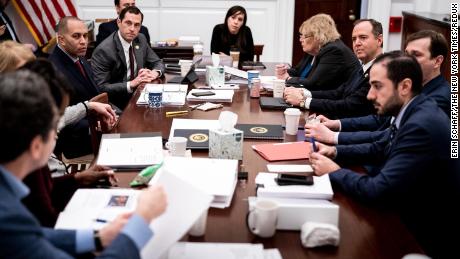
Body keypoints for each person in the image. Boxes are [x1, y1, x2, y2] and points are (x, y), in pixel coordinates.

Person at [0, 70, 167, 258]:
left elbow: (35, 236)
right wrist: (142, 219)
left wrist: (97, 238)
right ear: (37, 146)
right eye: (54, 126)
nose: (56, 134)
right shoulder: (8, 218)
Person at [309, 51, 459, 259]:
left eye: (378, 86)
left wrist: (334, 171)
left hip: (421, 237)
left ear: (405, 87)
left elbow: (378, 190)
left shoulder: (421, 125)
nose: (370, 95)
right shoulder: (415, 110)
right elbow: (380, 146)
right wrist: (335, 151)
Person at [305, 30, 450, 145]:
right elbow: (382, 120)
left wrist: (334, 137)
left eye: (416, 55)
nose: (408, 60)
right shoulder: (414, 86)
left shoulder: (439, 99)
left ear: (437, 61)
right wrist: (336, 124)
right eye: (407, 54)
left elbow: (388, 137)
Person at [19, 59, 118, 227]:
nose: (56, 133)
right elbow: (47, 226)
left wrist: (78, 178)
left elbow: (47, 191)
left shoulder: (29, 147)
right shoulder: (28, 162)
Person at [283, 19, 383, 119]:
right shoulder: (362, 67)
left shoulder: (381, 71)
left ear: (379, 40)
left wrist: (303, 101)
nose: (357, 43)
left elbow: (349, 105)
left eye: (363, 38)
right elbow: (338, 93)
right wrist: (303, 93)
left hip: (354, 129)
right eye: (354, 39)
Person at [50, 16, 117, 159]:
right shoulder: (53, 70)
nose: (83, 41)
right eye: (76, 36)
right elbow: (59, 119)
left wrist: (109, 116)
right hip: (76, 140)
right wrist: (95, 126)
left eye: (85, 36)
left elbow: (95, 93)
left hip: (95, 125)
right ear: (61, 39)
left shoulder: (79, 57)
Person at [92, 6, 165, 109]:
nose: (132, 29)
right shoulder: (104, 50)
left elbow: (158, 62)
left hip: (139, 95)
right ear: (119, 22)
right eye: (128, 23)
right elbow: (101, 87)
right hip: (116, 102)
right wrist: (131, 84)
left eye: (137, 25)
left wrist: (154, 73)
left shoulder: (140, 39)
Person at [275, 13, 360, 91]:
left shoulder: (333, 51)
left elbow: (314, 83)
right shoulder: (313, 51)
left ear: (317, 36)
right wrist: (284, 72)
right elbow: (298, 72)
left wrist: (287, 79)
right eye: (301, 36)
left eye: (305, 36)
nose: (301, 40)